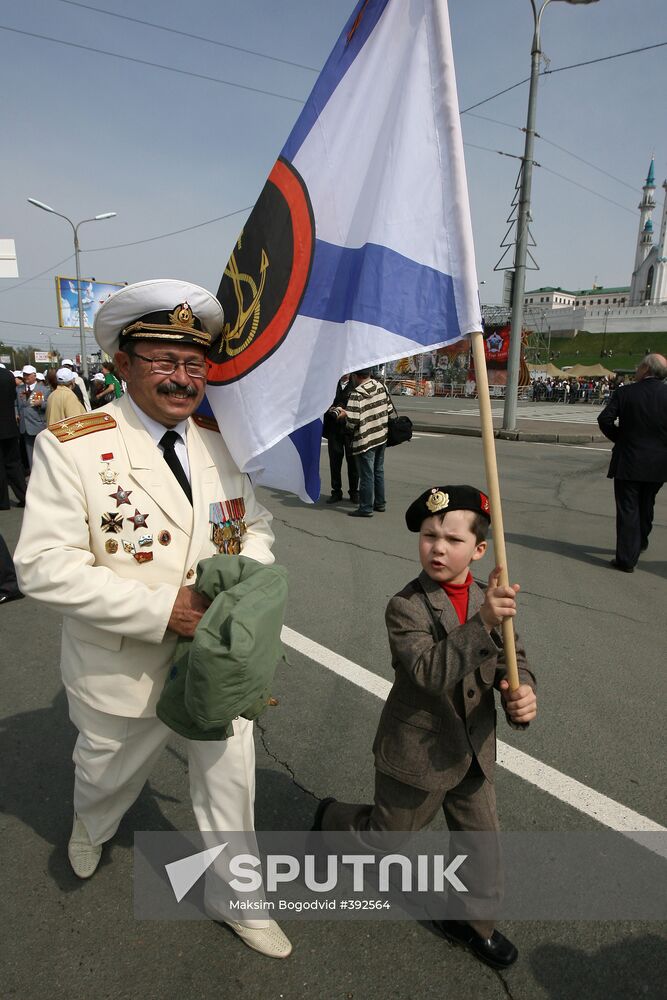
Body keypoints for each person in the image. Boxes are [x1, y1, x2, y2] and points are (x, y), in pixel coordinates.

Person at [14, 279, 292, 959]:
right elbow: (43, 565)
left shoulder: (221, 443)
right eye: (164, 361)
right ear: (123, 364)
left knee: (231, 784)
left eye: (194, 363)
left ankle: (242, 900)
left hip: (216, 662)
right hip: (122, 661)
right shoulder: (74, 445)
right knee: (106, 775)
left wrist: (241, 578)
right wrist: (165, 609)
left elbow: (254, 525)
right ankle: (91, 826)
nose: (181, 377)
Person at [313, 485, 537, 969]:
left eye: (452, 539)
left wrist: (520, 692)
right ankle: (331, 818)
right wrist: (482, 622)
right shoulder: (407, 606)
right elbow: (427, 672)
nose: (437, 547)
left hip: (474, 748)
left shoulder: (487, 596)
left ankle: (471, 922)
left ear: (478, 550)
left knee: (482, 843)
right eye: (429, 535)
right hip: (418, 752)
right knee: (384, 838)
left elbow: (512, 659)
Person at [597, 353, 667, 572]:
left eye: (638, 367)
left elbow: (605, 419)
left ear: (646, 369)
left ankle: (627, 558)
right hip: (659, 462)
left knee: (628, 509)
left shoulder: (626, 392)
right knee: (647, 504)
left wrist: (621, 438)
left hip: (629, 459)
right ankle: (640, 541)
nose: (636, 370)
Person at [341, 368, 390, 517]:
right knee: (378, 471)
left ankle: (366, 507)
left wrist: (343, 415)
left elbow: (353, 421)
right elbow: (388, 408)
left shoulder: (356, 394)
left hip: (365, 439)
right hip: (381, 435)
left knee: (367, 474)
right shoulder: (381, 386)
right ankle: (380, 503)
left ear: (355, 376)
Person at [322, 375, 358, 505]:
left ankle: (354, 492)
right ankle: (336, 491)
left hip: (350, 429)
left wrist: (347, 412)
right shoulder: (332, 383)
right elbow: (322, 401)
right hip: (334, 429)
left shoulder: (356, 384)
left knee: (353, 462)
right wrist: (330, 409)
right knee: (335, 462)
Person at [0, 364, 26, 509]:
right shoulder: (8, 375)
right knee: (14, 464)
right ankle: (24, 495)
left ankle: (2, 501)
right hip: (9, 426)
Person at [16, 364, 47, 470]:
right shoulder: (19, 389)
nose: (26, 377)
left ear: (34, 375)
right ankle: (33, 474)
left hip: (39, 425)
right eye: (24, 375)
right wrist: (16, 413)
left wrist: (41, 404)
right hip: (25, 426)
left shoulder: (43, 389)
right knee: (30, 455)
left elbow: (49, 405)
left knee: (42, 453)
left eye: (28, 375)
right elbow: (15, 404)